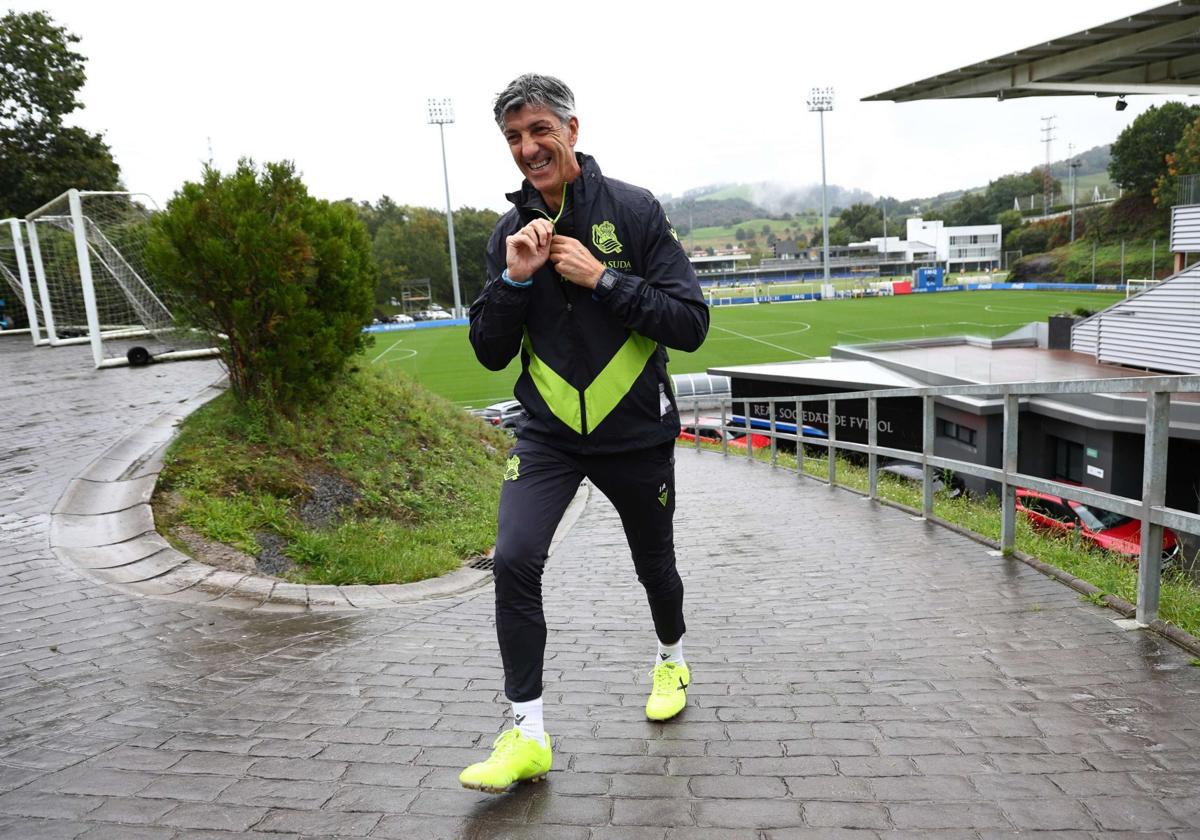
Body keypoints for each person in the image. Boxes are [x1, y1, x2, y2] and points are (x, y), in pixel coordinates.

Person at [461, 73, 709, 793]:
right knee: (513, 558)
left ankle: (671, 656)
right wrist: (513, 282)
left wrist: (602, 279)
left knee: (653, 566)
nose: (528, 148)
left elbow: (689, 324)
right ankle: (527, 734)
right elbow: (488, 351)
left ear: (572, 130)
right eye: (513, 137)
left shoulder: (632, 211)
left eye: (540, 130)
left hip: (635, 434)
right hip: (547, 435)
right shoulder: (508, 234)